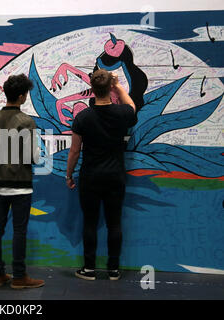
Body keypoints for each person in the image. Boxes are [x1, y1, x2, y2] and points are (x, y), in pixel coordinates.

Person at [65, 69, 137, 281]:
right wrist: (118, 85)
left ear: (92, 89)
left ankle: (89, 269)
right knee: (115, 223)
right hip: (115, 176)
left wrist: (69, 175)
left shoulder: (83, 117)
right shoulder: (122, 113)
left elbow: (75, 151)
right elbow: (132, 106)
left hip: (91, 177)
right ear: (109, 88)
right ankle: (113, 269)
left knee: (90, 222)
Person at [0, 74, 45, 289]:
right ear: (21, 96)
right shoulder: (27, 122)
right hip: (21, 186)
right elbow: (33, 157)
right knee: (19, 230)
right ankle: (19, 276)